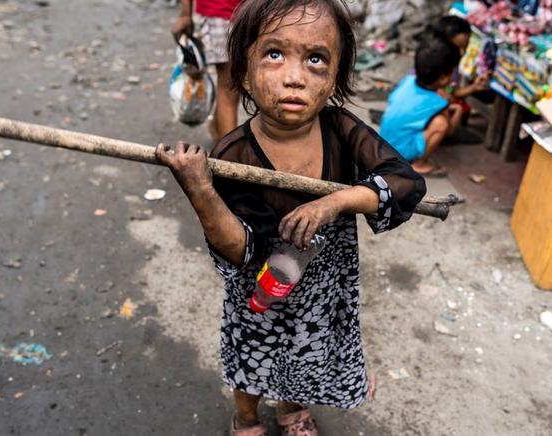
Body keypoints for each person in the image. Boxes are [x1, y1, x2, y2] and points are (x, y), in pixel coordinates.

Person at [157, 0, 426, 434]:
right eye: (274, 54)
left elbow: (406, 183)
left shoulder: (341, 129)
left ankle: (290, 409)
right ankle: (245, 417)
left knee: (303, 354)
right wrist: (202, 192)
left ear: (336, 75)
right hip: (260, 291)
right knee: (253, 357)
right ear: (243, 71)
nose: (295, 76)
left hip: (321, 289)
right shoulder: (234, 154)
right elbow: (239, 251)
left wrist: (335, 201)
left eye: (316, 59)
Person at [379, 37, 463, 177]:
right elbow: (448, 131)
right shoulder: (440, 102)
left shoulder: (408, 80)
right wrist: (457, 110)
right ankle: (420, 165)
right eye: (454, 71)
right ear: (443, 78)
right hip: (398, 153)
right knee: (440, 124)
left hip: (382, 143)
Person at [171, 0, 242, 141]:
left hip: (235, 13)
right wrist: (185, 14)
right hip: (223, 13)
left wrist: (186, 14)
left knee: (231, 85)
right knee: (229, 88)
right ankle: (229, 155)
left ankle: (217, 129)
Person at [433, 15, 489, 101]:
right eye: (456, 48)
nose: (462, 52)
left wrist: (474, 87)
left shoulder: (453, 64)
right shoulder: (432, 68)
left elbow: (454, 91)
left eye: (466, 46)